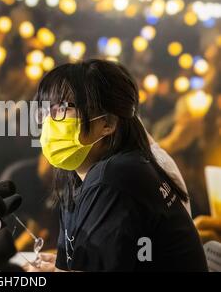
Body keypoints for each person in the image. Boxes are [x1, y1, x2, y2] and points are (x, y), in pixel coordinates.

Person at [26, 60, 207, 272]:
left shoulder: (115, 177)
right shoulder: (80, 178)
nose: (49, 121)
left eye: (62, 109)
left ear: (107, 124)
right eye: (46, 110)